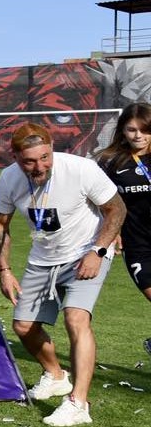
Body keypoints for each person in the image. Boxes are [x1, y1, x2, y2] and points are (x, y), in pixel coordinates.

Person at [0, 123, 125, 427]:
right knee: (24, 326)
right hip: (43, 259)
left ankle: (78, 403)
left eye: (45, 157)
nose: (40, 167)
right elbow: (0, 224)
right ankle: (55, 375)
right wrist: (4, 269)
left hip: (86, 253)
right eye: (30, 161)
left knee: (76, 319)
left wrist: (98, 251)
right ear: (15, 157)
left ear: (52, 149)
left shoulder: (81, 169)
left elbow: (116, 209)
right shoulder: (9, 179)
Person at [96, 104, 151, 332]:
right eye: (131, 130)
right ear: (122, 130)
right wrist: (113, 228)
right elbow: (99, 199)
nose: (138, 136)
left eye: (145, 130)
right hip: (138, 245)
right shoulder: (110, 161)